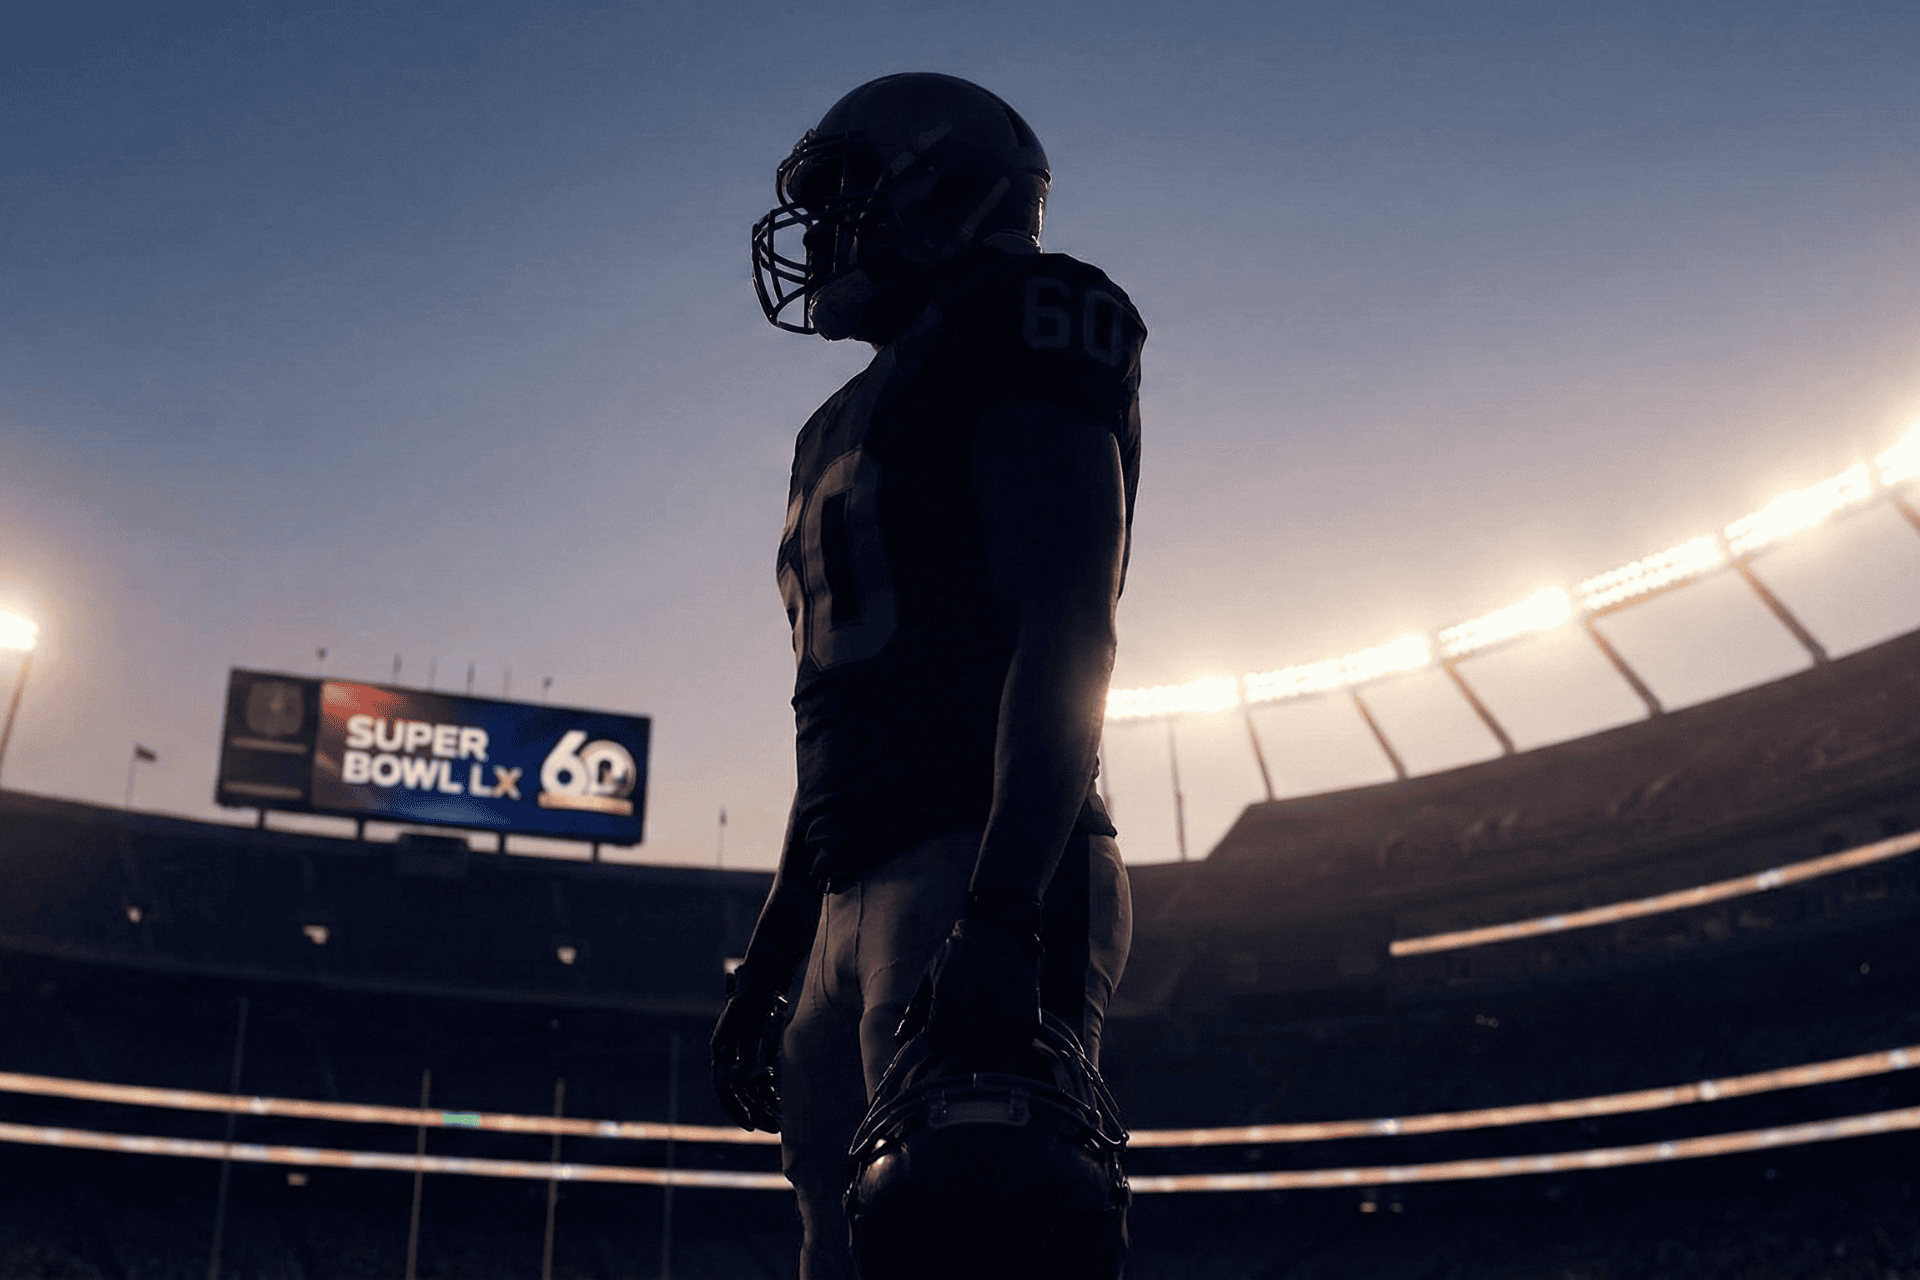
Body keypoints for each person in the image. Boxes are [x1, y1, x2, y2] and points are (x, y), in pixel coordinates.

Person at [711, 72, 1144, 1280]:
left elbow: (1067, 624)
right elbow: (842, 711)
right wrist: (776, 947)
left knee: (975, 1221)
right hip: (853, 873)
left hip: (980, 845)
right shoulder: (832, 424)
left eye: (848, 191)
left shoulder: (1028, 313)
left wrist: (1003, 905)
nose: (827, 228)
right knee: (838, 1249)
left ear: (948, 185)